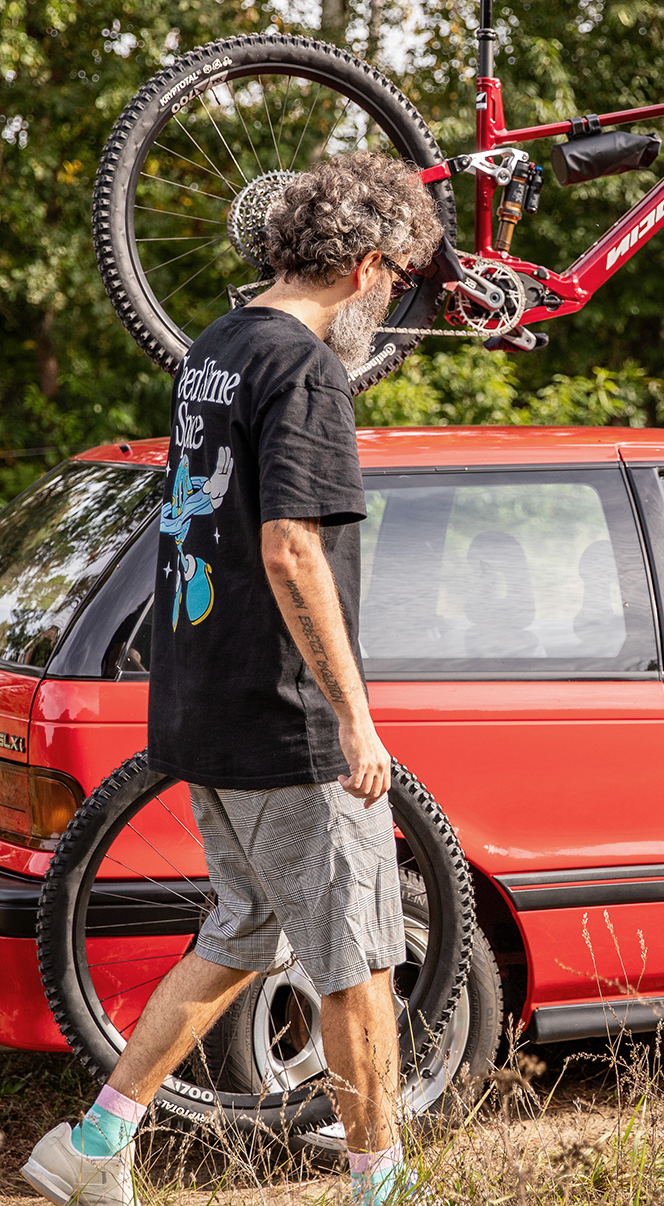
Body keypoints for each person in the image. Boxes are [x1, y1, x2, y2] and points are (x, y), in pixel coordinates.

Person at [22, 151, 444, 1206]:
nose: (389, 304)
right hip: (284, 715)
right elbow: (292, 550)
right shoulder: (305, 371)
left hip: (204, 702)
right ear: (363, 265)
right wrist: (356, 721)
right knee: (360, 959)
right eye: (394, 280)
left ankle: (96, 1137)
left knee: (244, 928)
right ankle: (378, 1181)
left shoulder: (216, 346)